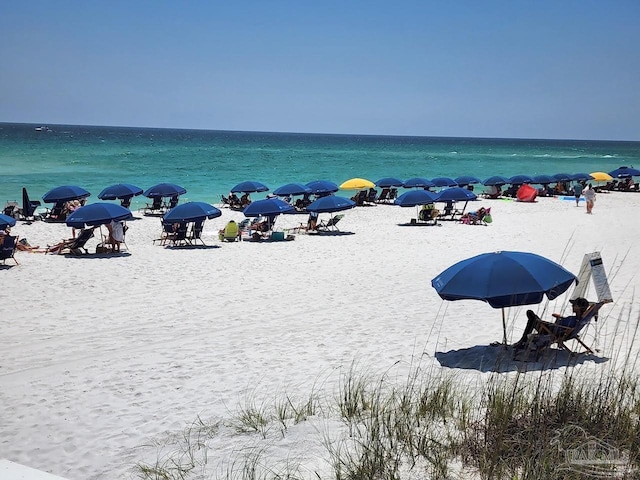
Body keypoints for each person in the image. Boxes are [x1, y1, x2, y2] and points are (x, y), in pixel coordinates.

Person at [512, 297, 590, 350]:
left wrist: (559, 320)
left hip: (550, 331)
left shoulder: (573, 320)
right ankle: (524, 340)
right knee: (533, 317)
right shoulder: (577, 319)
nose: (572, 306)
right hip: (555, 329)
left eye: (574, 305)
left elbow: (563, 327)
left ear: (579, 307)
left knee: (531, 316)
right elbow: (565, 326)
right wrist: (560, 318)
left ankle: (523, 340)